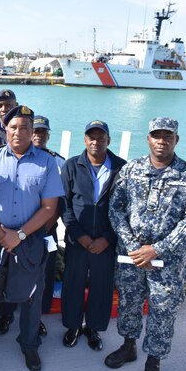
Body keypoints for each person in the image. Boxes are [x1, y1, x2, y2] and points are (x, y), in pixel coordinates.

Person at [0, 105, 64, 371]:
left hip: (29, 238)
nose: (19, 132)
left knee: (32, 292)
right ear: (5, 130)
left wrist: (19, 235)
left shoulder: (47, 162)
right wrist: (2, 234)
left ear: (33, 132)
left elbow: (49, 208)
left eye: (25, 128)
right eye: (14, 127)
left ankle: (30, 344)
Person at [105, 118, 186, 371]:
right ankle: (128, 346)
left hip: (168, 261)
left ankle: (154, 361)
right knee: (129, 303)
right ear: (148, 139)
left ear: (176, 140)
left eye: (167, 136)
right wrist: (134, 247)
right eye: (156, 135)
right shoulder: (130, 170)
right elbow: (116, 209)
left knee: (162, 311)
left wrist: (158, 249)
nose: (162, 140)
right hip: (131, 257)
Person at [59, 120, 126, 353]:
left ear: (108, 140)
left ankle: (94, 328)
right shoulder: (71, 166)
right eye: (91, 137)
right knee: (73, 283)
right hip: (78, 239)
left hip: (106, 241)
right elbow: (63, 204)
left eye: (101, 137)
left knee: (102, 285)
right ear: (85, 140)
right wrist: (79, 235)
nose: (96, 141)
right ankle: (73, 326)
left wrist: (108, 238)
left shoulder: (121, 167)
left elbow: (127, 208)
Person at [0, 115, 65, 337]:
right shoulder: (10, 157)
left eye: (43, 132)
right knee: (10, 272)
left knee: (42, 275)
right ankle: (6, 313)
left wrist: (39, 231)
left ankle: (38, 318)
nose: (38, 136)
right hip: (16, 230)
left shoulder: (58, 162)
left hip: (44, 231)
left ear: (48, 135)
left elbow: (57, 204)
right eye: (35, 131)